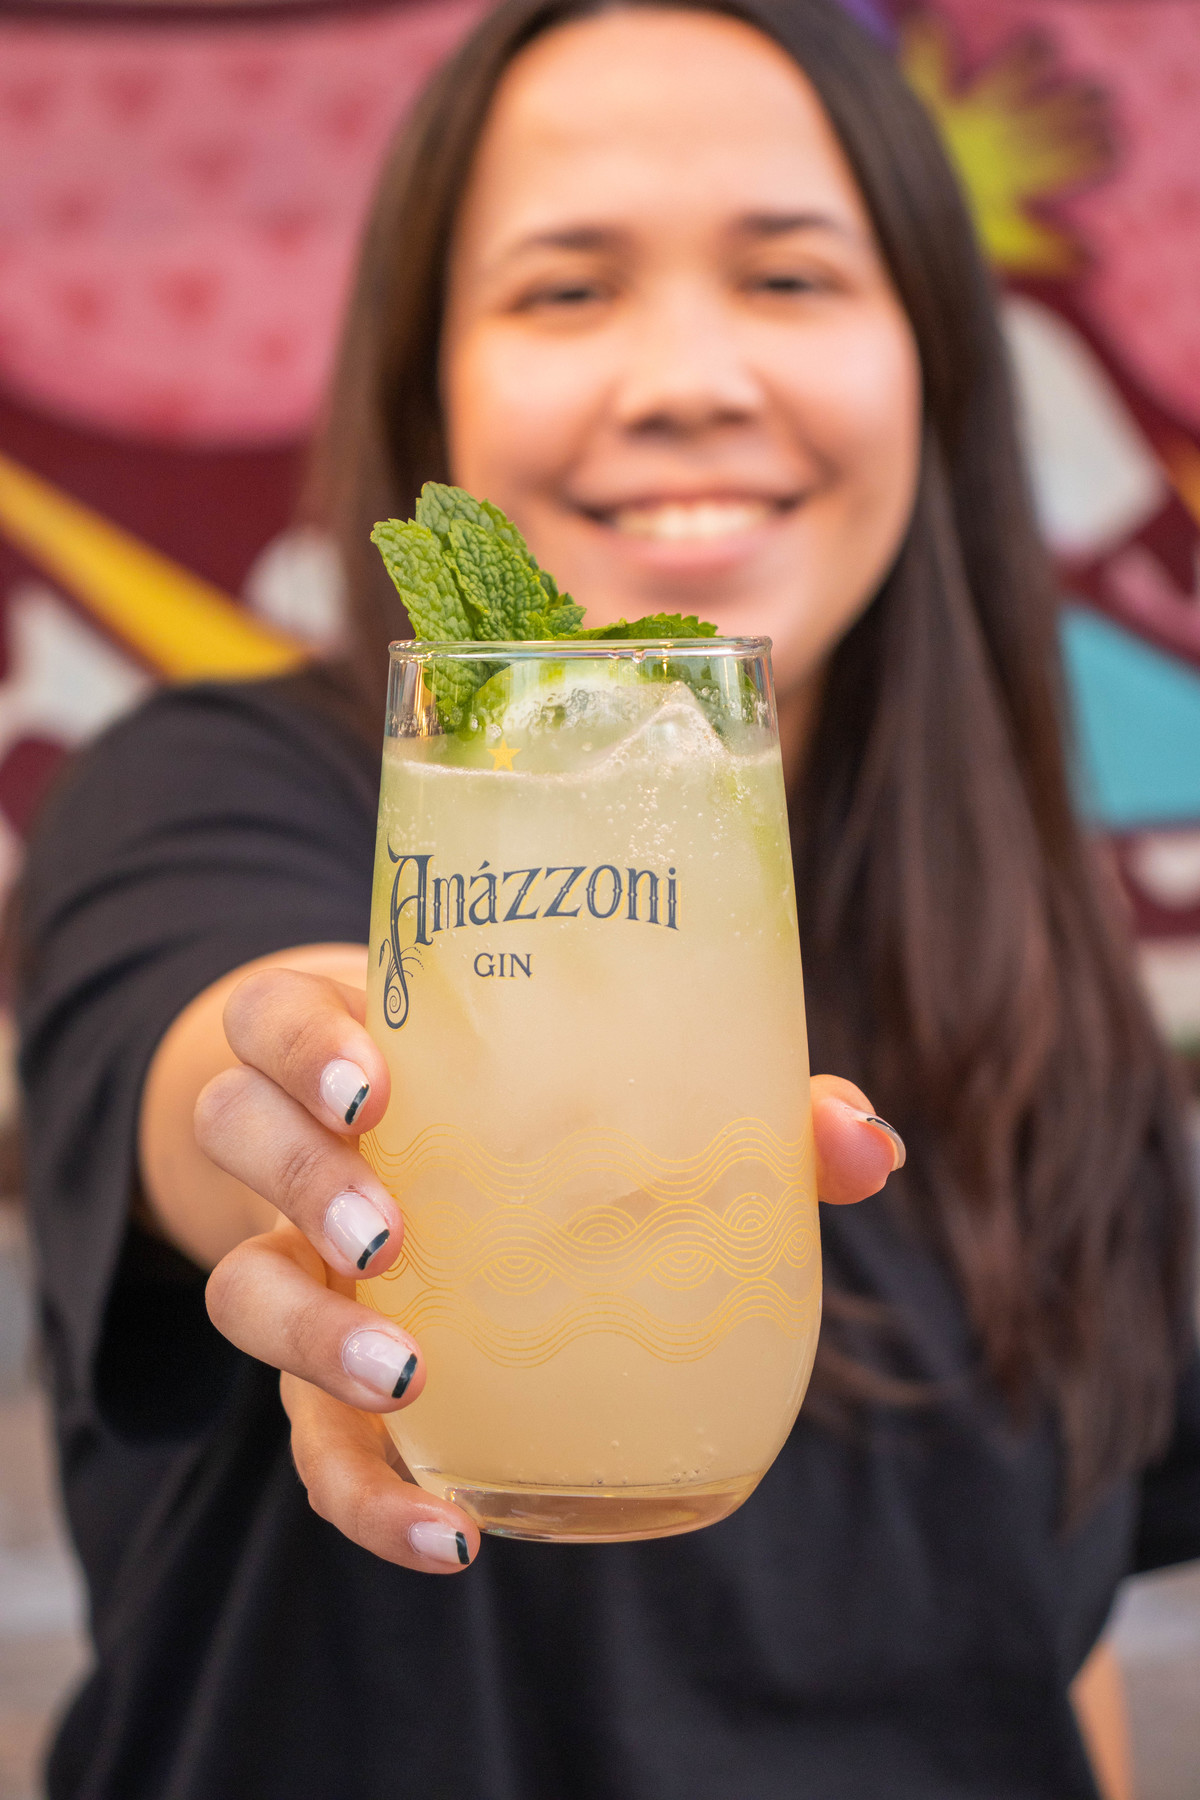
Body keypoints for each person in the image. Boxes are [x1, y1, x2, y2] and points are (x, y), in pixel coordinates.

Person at [15, 2, 1199, 1797]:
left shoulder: (1032, 950)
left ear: (936, 364)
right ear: (431, 380)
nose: (686, 378)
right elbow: (218, 1044)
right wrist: (331, 1144)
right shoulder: (207, 788)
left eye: (790, 277)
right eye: (567, 289)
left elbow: (1055, 1648)